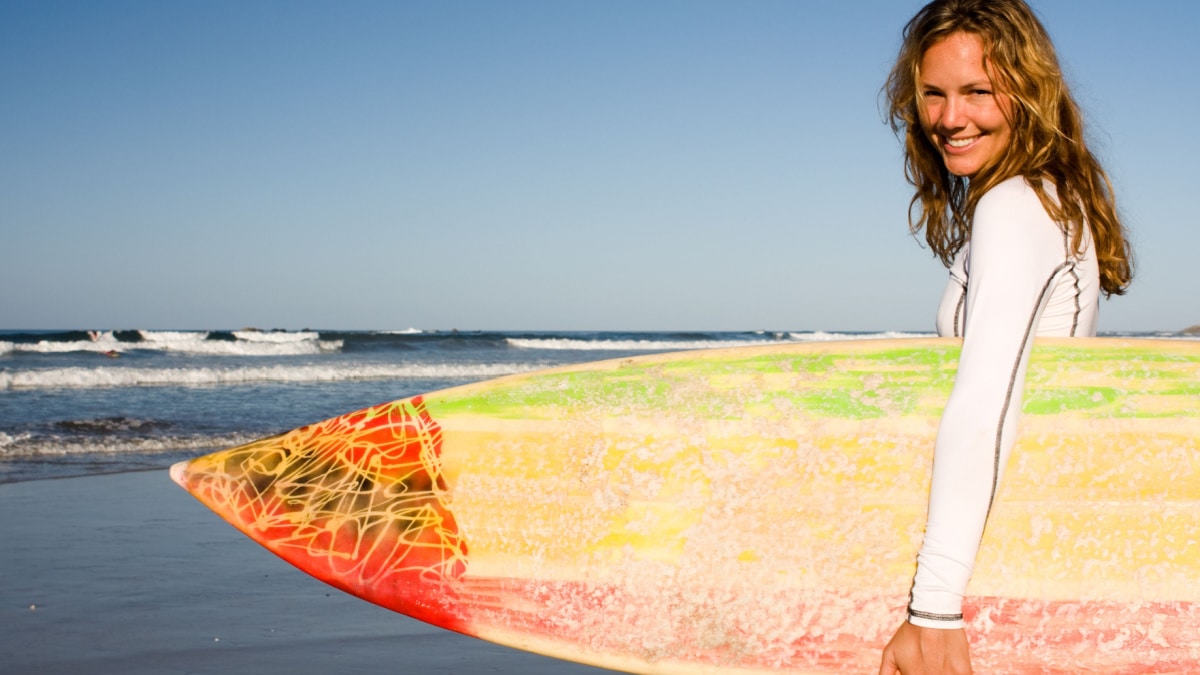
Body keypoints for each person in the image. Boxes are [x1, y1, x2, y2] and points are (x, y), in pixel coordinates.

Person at [877, 1, 1133, 673]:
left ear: (1027, 90)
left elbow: (986, 399)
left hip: (980, 580)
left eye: (977, 91)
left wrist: (932, 608)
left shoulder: (1015, 206)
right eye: (932, 93)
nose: (949, 118)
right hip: (1019, 556)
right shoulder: (1051, 197)